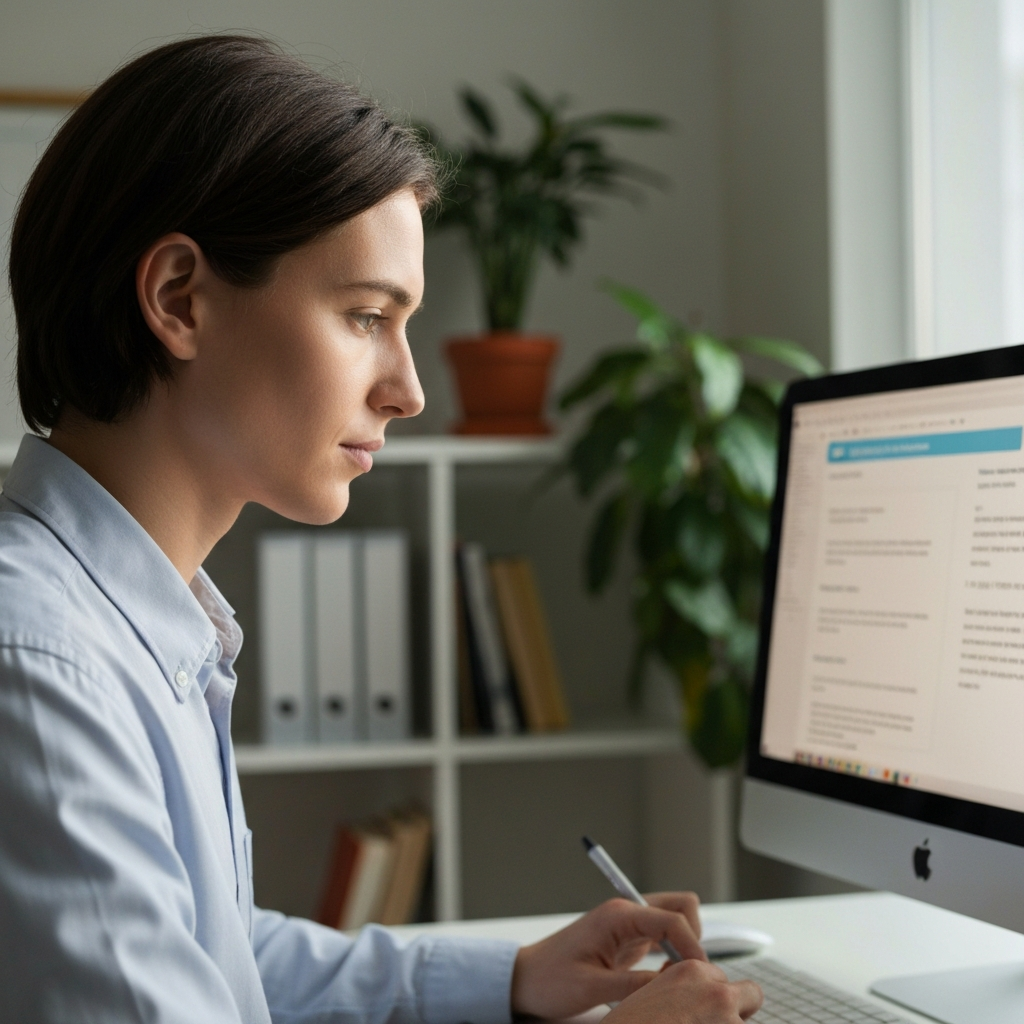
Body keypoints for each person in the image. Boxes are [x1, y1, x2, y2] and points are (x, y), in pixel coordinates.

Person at [0, 34, 763, 1024]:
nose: (406, 390)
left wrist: (512, 977)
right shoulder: (41, 665)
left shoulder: (131, 622)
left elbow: (217, 951)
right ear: (179, 299)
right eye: (366, 315)